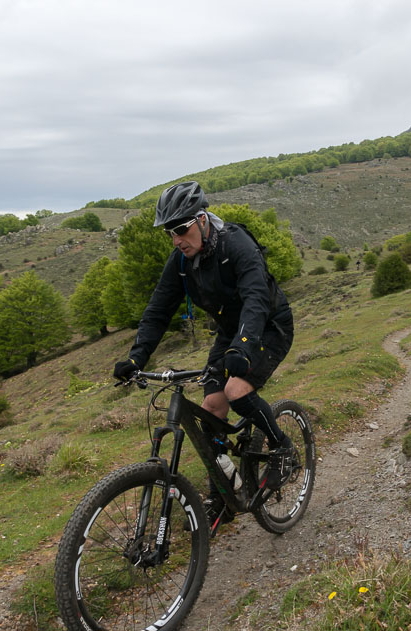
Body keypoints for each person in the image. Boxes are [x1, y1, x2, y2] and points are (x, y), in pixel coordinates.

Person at [113, 181, 296, 516]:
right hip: (230, 333)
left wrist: (243, 347)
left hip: (268, 326)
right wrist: (135, 357)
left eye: (181, 229)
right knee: (212, 407)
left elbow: (256, 300)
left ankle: (282, 446)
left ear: (201, 219)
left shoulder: (236, 245)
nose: (176, 239)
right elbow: (157, 310)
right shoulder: (181, 261)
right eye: (169, 232)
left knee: (237, 391)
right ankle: (224, 496)